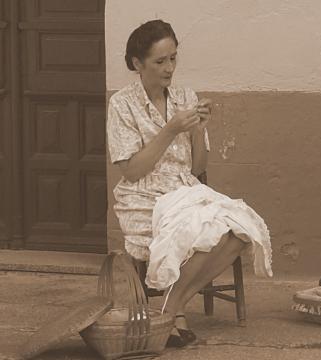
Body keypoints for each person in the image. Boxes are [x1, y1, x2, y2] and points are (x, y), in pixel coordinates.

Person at [107, 20, 272, 348]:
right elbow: (134, 170)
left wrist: (197, 129)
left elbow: (197, 168)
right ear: (138, 64)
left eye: (173, 58)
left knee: (239, 229)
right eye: (160, 61)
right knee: (195, 231)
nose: (169, 68)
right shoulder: (121, 104)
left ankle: (171, 306)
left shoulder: (184, 97)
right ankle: (174, 313)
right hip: (142, 196)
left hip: (184, 189)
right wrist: (170, 129)